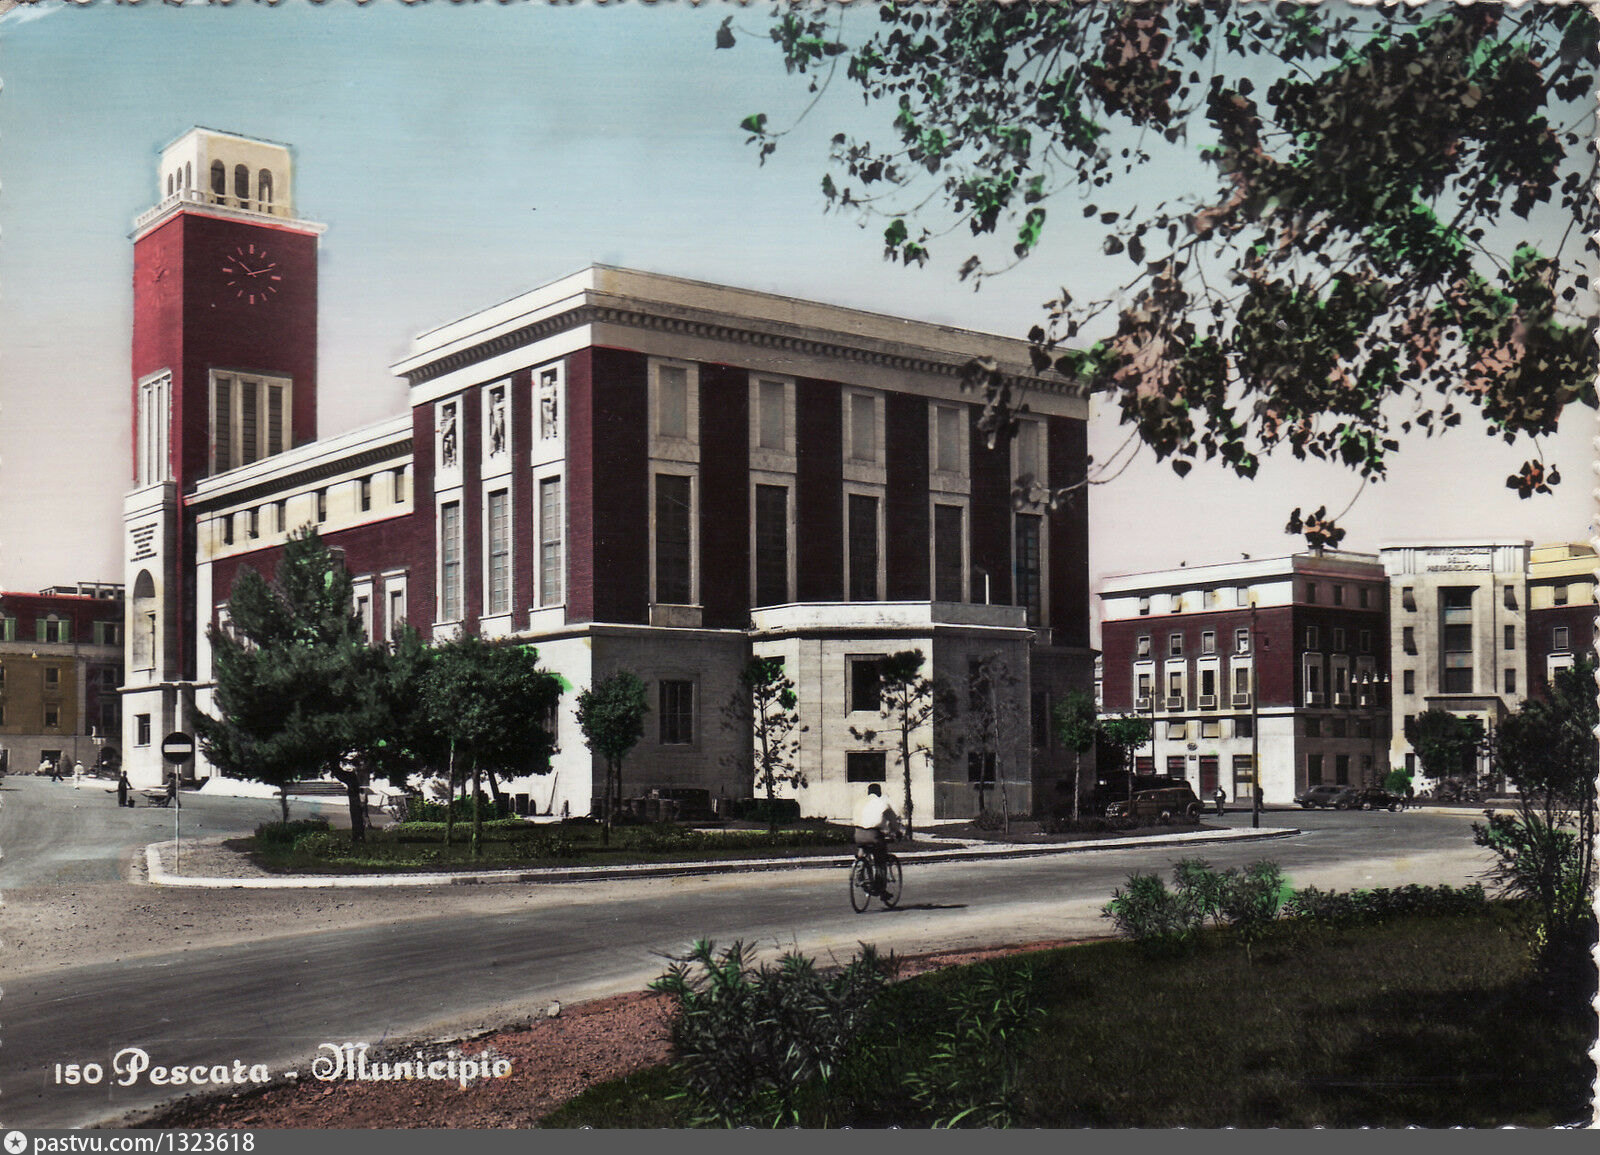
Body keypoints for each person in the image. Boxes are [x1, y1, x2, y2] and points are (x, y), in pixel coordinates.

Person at [852, 783, 902, 887]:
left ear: (868, 792)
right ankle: (880, 887)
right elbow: (892, 820)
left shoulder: (859, 802)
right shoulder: (882, 803)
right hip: (873, 835)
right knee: (880, 858)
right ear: (879, 793)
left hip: (858, 834)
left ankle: (859, 872)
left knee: (863, 848)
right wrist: (897, 832)